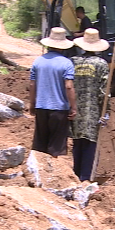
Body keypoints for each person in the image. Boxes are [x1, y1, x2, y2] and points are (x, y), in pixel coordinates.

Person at [29, 27, 77, 158]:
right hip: (59, 109)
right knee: (57, 147)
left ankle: (38, 171)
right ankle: (53, 173)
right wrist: (73, 107)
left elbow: (32, 84)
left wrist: (32, 104)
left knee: (40, 144)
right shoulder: (67, 63)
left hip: (41, 107)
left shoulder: (38, 61)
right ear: (63, 46)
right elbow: (68, 86)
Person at [70, 28, 110, 181]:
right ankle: (85, 179)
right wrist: (106, 112)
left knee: (77, 143)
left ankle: (76, 176)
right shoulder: (101, 64)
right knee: (90, 145)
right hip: (92, 113)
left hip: (75, 111)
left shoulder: (73, 62)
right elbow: (104, 92)